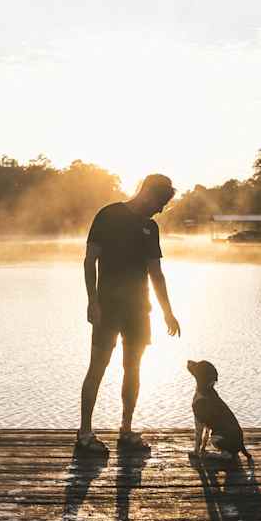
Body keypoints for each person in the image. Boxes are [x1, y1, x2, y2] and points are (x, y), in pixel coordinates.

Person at [76, 174, 181, 454]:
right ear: (147, 193)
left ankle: (126, 430)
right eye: (160, 203)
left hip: (138, 311)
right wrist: (92, 301)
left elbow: (156, 274)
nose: (160, 209)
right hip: (108, 307)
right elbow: (90, 261)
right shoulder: (108, 215)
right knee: (97, 368)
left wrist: (168, 312)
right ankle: (85, 434)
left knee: (133, 369)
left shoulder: (151, 227)